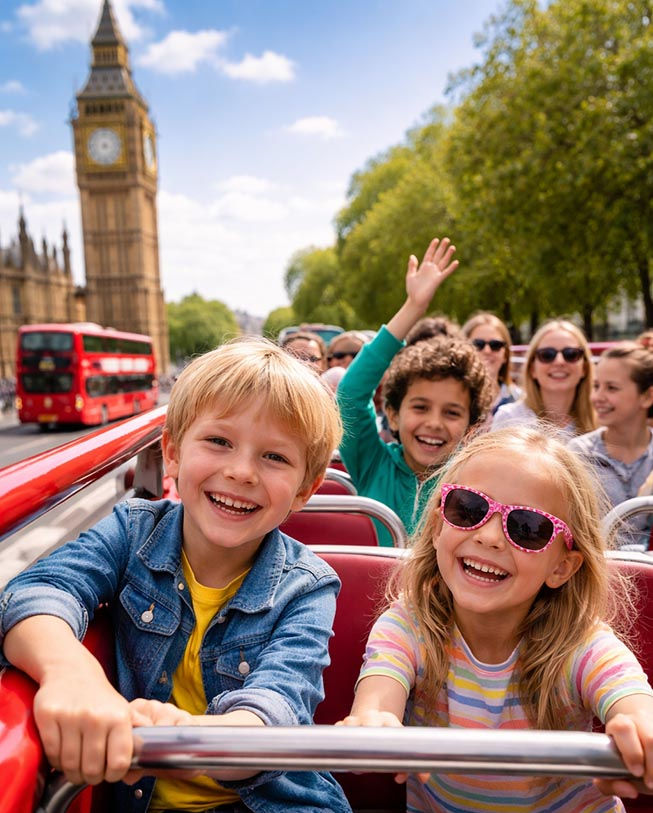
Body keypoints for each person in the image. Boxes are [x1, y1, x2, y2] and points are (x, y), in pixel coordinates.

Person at [0, 338, 351, 813]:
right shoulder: (133, 530)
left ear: (305, 490)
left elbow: (275, 710)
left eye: (274, 457)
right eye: (219, 441)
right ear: (172, 453)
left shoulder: (309, 587)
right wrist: (71, 672)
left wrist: (184, 739)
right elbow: (39, 590)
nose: (242, 471)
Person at [339, 426, 653, 812]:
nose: (489, 537)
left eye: (528, 528)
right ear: (438, 526)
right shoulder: (408, 625)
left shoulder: (581, 644)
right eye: (467, 509)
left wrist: (640, 728)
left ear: (562, 568)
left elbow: (632, 699)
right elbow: (378, 699)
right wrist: (374, 721)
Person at [336, 237, 492, 546]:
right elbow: (350, 395)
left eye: (451, 412)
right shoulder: (372, 463)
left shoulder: (476, 482)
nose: (434, 422)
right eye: (420, 407)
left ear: (471, 427)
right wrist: (413, 308)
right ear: (392, 415)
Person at [569, 341, 653, 550]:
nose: (598, 397)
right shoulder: (578, 454)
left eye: (612, 388)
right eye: (596, 386)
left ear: (647, 397)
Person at [492, 319, 596, 438]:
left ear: (585, 368)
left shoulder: (602, 423)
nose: (559, 361)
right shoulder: (509, 419)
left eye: (571, 354)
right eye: (547, 355)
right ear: (532, 369)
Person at [462, 311, 520, 414]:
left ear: (505, 355)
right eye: (478, 344)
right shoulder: (452, 397)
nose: (487, 351)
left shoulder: (521, 401)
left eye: (495, 345)